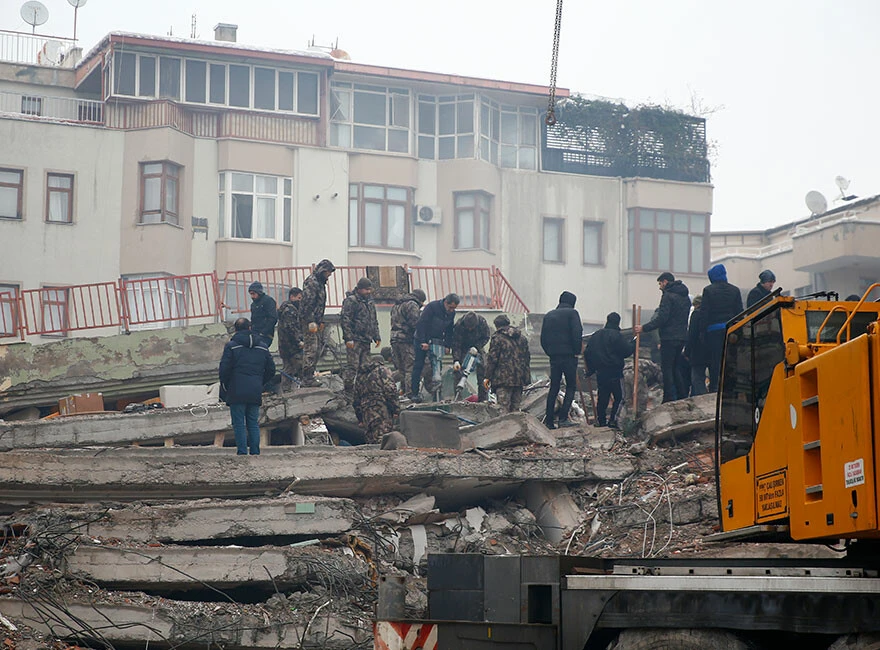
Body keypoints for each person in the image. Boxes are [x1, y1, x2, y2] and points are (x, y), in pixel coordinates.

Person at [219, 318, 276, 455]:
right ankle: (255, 452)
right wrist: (260, 382)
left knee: (239, 423)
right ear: (250, 328)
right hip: (255, 389)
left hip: (236, 390)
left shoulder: (231, 346)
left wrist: (226, 385)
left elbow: (224, 370)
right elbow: (271, 370)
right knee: (253, 423)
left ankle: (242, 453)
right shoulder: (262, 346)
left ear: (236, 330)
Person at [635, 272, 690, 403]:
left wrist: (644, 328)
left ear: (665, 282)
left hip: (668, 337)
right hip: (681, 337)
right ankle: (682, 395)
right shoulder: (685, 297)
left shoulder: (668, 296)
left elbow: (662, 318)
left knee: (667, 368)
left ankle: (668, 397)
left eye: (660, 283)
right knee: (676, 367)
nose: (660, 287)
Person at [540, 291, 583, 429]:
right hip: (569, 356)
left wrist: (550, 352)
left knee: (554, 387)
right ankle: (563, 419)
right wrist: (576, 352)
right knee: (571, 386)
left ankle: (549, 421)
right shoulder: (573, 313)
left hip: (554, 357)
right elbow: (577, 333)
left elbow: (543, 338)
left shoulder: (549, 315)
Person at [584, 312, 635, 428]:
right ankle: (614, 420)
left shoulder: (596, 335)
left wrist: (591, 369)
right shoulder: (616, 335)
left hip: (600, 372)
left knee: (603, 398)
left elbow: (587, 353)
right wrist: (633, 343)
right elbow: (626, 351)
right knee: (620, 397)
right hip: (615, 372)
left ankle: (601, 421)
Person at [701, 263, 743, 392]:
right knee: (731, 359)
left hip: (713, 331)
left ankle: (715, 387)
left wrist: (702, 332)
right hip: (731, 330)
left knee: (715, 361)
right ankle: (731, 386)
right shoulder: (735, 290)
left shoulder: (708, 290)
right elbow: (739, 312)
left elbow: (705, 314)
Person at [410, 293, 460, 401]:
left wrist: (447, 345)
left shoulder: (452, 313)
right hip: (422, 339)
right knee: (418, 366)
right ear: (446, 302)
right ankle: (414, 393)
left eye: (454, 308)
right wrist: (423, 341)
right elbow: (422, 324)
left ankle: (437, 393)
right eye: (450, 307)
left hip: (437, 341)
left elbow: (449, 330)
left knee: (437, 366)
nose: (452, 310)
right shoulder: (432, 307)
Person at [341, 277, 381, 393]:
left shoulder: (370, 302)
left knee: (365, 367)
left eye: (370, 289)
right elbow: (345, 320)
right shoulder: (351, 301)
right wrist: (348, 338)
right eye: (366, 289)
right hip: (355, 340)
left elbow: (373, 320)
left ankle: (362, 391)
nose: (368, 292)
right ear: (359, 289)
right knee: (352, 367)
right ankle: (348, 392)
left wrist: (376, 336)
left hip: (366, 340)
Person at [484, 314, 531, 413]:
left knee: (503, 410)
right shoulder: (522, 338)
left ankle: (506, 429)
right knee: (516, 410)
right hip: (519, 379)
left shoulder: (497, 338)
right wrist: (526, 378)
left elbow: (492, 359)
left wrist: (487, 376)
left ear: (497, 326)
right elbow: (527, 358)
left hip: (503, 380)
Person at [300, 259, 336, 387]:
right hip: (309, 321)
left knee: (316, 349)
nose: (329, 276)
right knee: (311, 348)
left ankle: (310, 375)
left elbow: (319, 305)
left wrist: (320, 321)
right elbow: (307, 303)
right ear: (323, 271)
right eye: (328, 273)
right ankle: (307, 377)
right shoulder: (312, 282)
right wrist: (310, 321)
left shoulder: (320, 283)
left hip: (316, 320)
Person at [353, 356, 400, 444]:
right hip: (381, 409)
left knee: (370, 438)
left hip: (366, 411)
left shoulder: (361, 374)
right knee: (383, 439)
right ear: (381, 362)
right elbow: (390, 390)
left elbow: (356, 399)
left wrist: (360, 418)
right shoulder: (383, 370)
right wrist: (396, 409)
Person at [390, 289, 427, 386]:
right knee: (410, 369)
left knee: (401, 371)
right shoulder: (412, 304)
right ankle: (410, 394)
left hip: (394, 339)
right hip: (406, 340)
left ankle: (385, 382)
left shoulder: (397, 305)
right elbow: (415, 324)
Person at [452, 311, 491, 401]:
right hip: (463, 348)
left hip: (478, 348)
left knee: (483, 373)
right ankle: (458, 399)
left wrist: (477, 347)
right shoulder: (459, 325)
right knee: (458, 373)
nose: (469, 329)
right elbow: (456, 344)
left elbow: (486, 337)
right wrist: (456, 360)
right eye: (468, 327)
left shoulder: (482, 322)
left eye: (471, 327)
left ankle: (483, 399)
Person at [277, 287, 304, 391]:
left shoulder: (284, 309)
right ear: (292, 297)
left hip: (285, 346)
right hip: (292, 347)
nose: (300, 301)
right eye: (299, 298)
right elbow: (291, 329)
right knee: (301, 367)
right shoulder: (290, 311)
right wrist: (299, 342)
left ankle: (286, 390)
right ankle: (304, 389)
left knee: (288, 368)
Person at [684, 295, 708, 396]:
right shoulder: (710, 314)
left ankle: (701, 399)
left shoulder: (696, 314)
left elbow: (692, 335)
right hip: (711, 351)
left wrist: (687, 351)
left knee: (697, 379)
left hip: (697, 351)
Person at [247, 282, 277, 346]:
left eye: (253, 294)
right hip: (255, 333)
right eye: (250, 294)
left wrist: (263, 332)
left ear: (259, 292)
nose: (252, 296)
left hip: (266, 335)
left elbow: (273, 318)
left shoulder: (268, 301)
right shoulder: (253, 305)